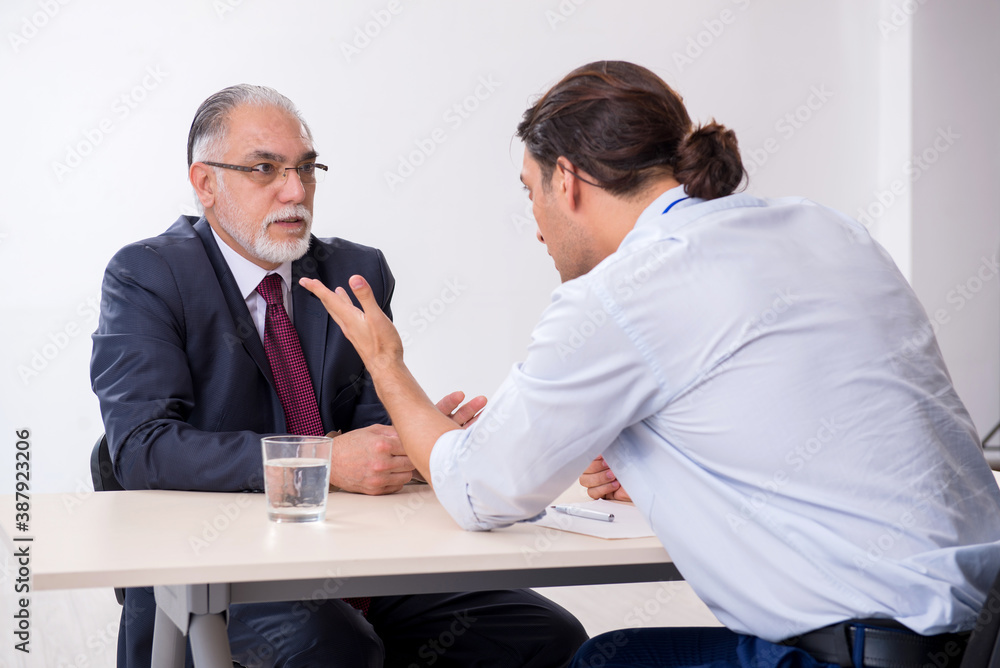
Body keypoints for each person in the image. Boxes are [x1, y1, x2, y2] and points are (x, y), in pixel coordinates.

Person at [298, 61, 1000, 668]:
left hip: (859, 648)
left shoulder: (622, 291)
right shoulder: (827, 228)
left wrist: (386, 363)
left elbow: (479, 491)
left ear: (567, 179)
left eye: (529, 191)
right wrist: (680, 466)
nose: (535, 224)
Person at [90, 84, 587, 668]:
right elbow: (143, 448)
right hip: (217, 563)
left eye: (305, 168)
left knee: (545, 634)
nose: (295, 191)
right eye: (265, 169)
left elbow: (370, 426)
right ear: (206, 184)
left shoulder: (355, 270)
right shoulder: (148, 274)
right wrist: (320, 460)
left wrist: (418, 445)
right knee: (336, 644)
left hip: (351, 556)